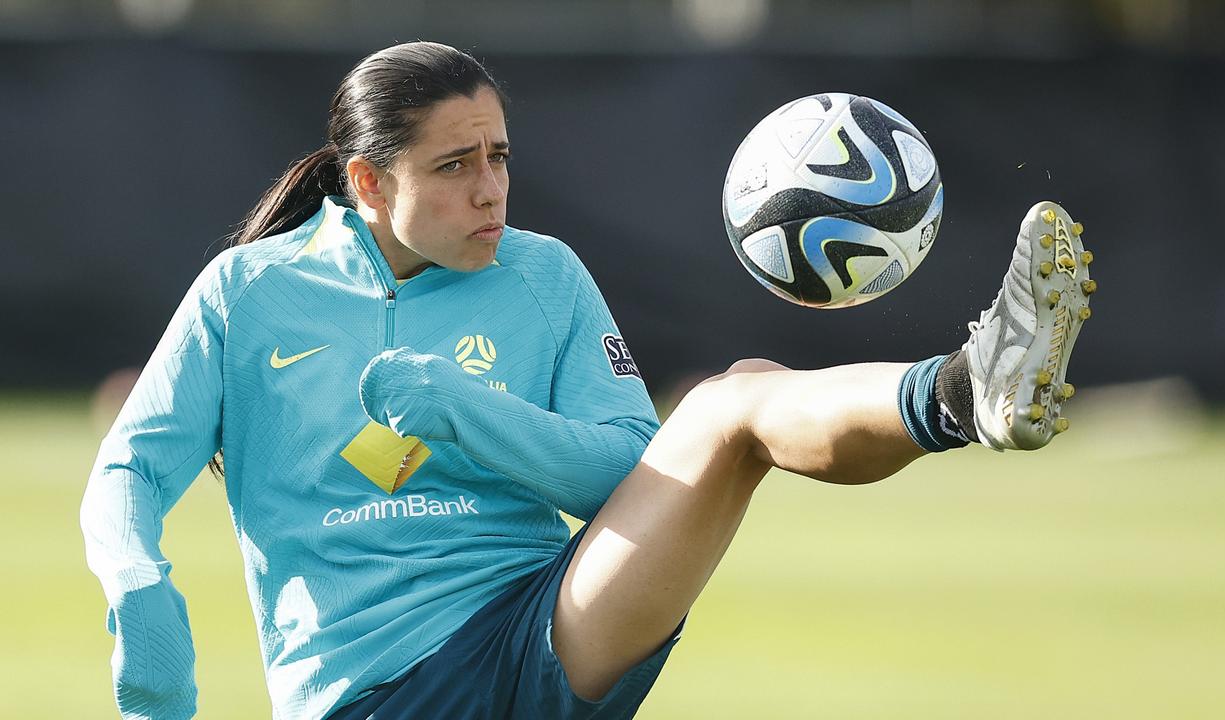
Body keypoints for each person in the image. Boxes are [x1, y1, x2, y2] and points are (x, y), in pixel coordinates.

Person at [80, 41, 1095, 720]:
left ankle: (968, 390)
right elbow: (129, 471)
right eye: (454, 166)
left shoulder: (543, 273)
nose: (490, 188)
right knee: (726, 398)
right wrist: (137, 587)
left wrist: (474, 416)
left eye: (499, 156)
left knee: (730, 403)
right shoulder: (247, 294)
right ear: (368, 184)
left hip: (544, 632)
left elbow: (619, 469)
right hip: (367, 694)